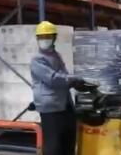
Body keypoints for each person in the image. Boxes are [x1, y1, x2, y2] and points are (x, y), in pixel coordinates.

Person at [30, 21, 87, 155]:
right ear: (37, 39)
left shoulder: (56, 55)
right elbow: (53, 79)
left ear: (54, 38)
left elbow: (63, 75)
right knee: (54, 146)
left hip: (65, 105)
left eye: (47, 36)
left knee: (68, 142)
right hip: (51, 109)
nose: (44, 40)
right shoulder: (37, 60)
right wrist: (73, 79)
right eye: (41, 37)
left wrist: (75, 83)